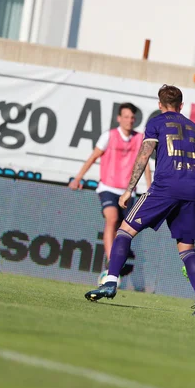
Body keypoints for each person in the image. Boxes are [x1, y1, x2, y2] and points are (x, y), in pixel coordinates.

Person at [84, 85, 195, 318]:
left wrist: (129, 190)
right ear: (181, 106)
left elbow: (144, 155)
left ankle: (111, 282)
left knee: (124, 232)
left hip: (164, 189)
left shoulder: (156, 123)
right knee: (187, 251)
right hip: (189, 191)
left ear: (160, 105)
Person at [69, 103, 152, 280]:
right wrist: (78, 178)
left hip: (128, 191)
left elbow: (144, 164)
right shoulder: (109, 136)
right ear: (119, 118)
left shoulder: (140, 139)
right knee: (112, 219)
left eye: (132, 117)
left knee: (123, 229)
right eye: (126, 117)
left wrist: (150, 186)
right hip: (108, 187)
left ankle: (115, 262)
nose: (129, 120)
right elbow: (93, 157)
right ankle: (111, 261)